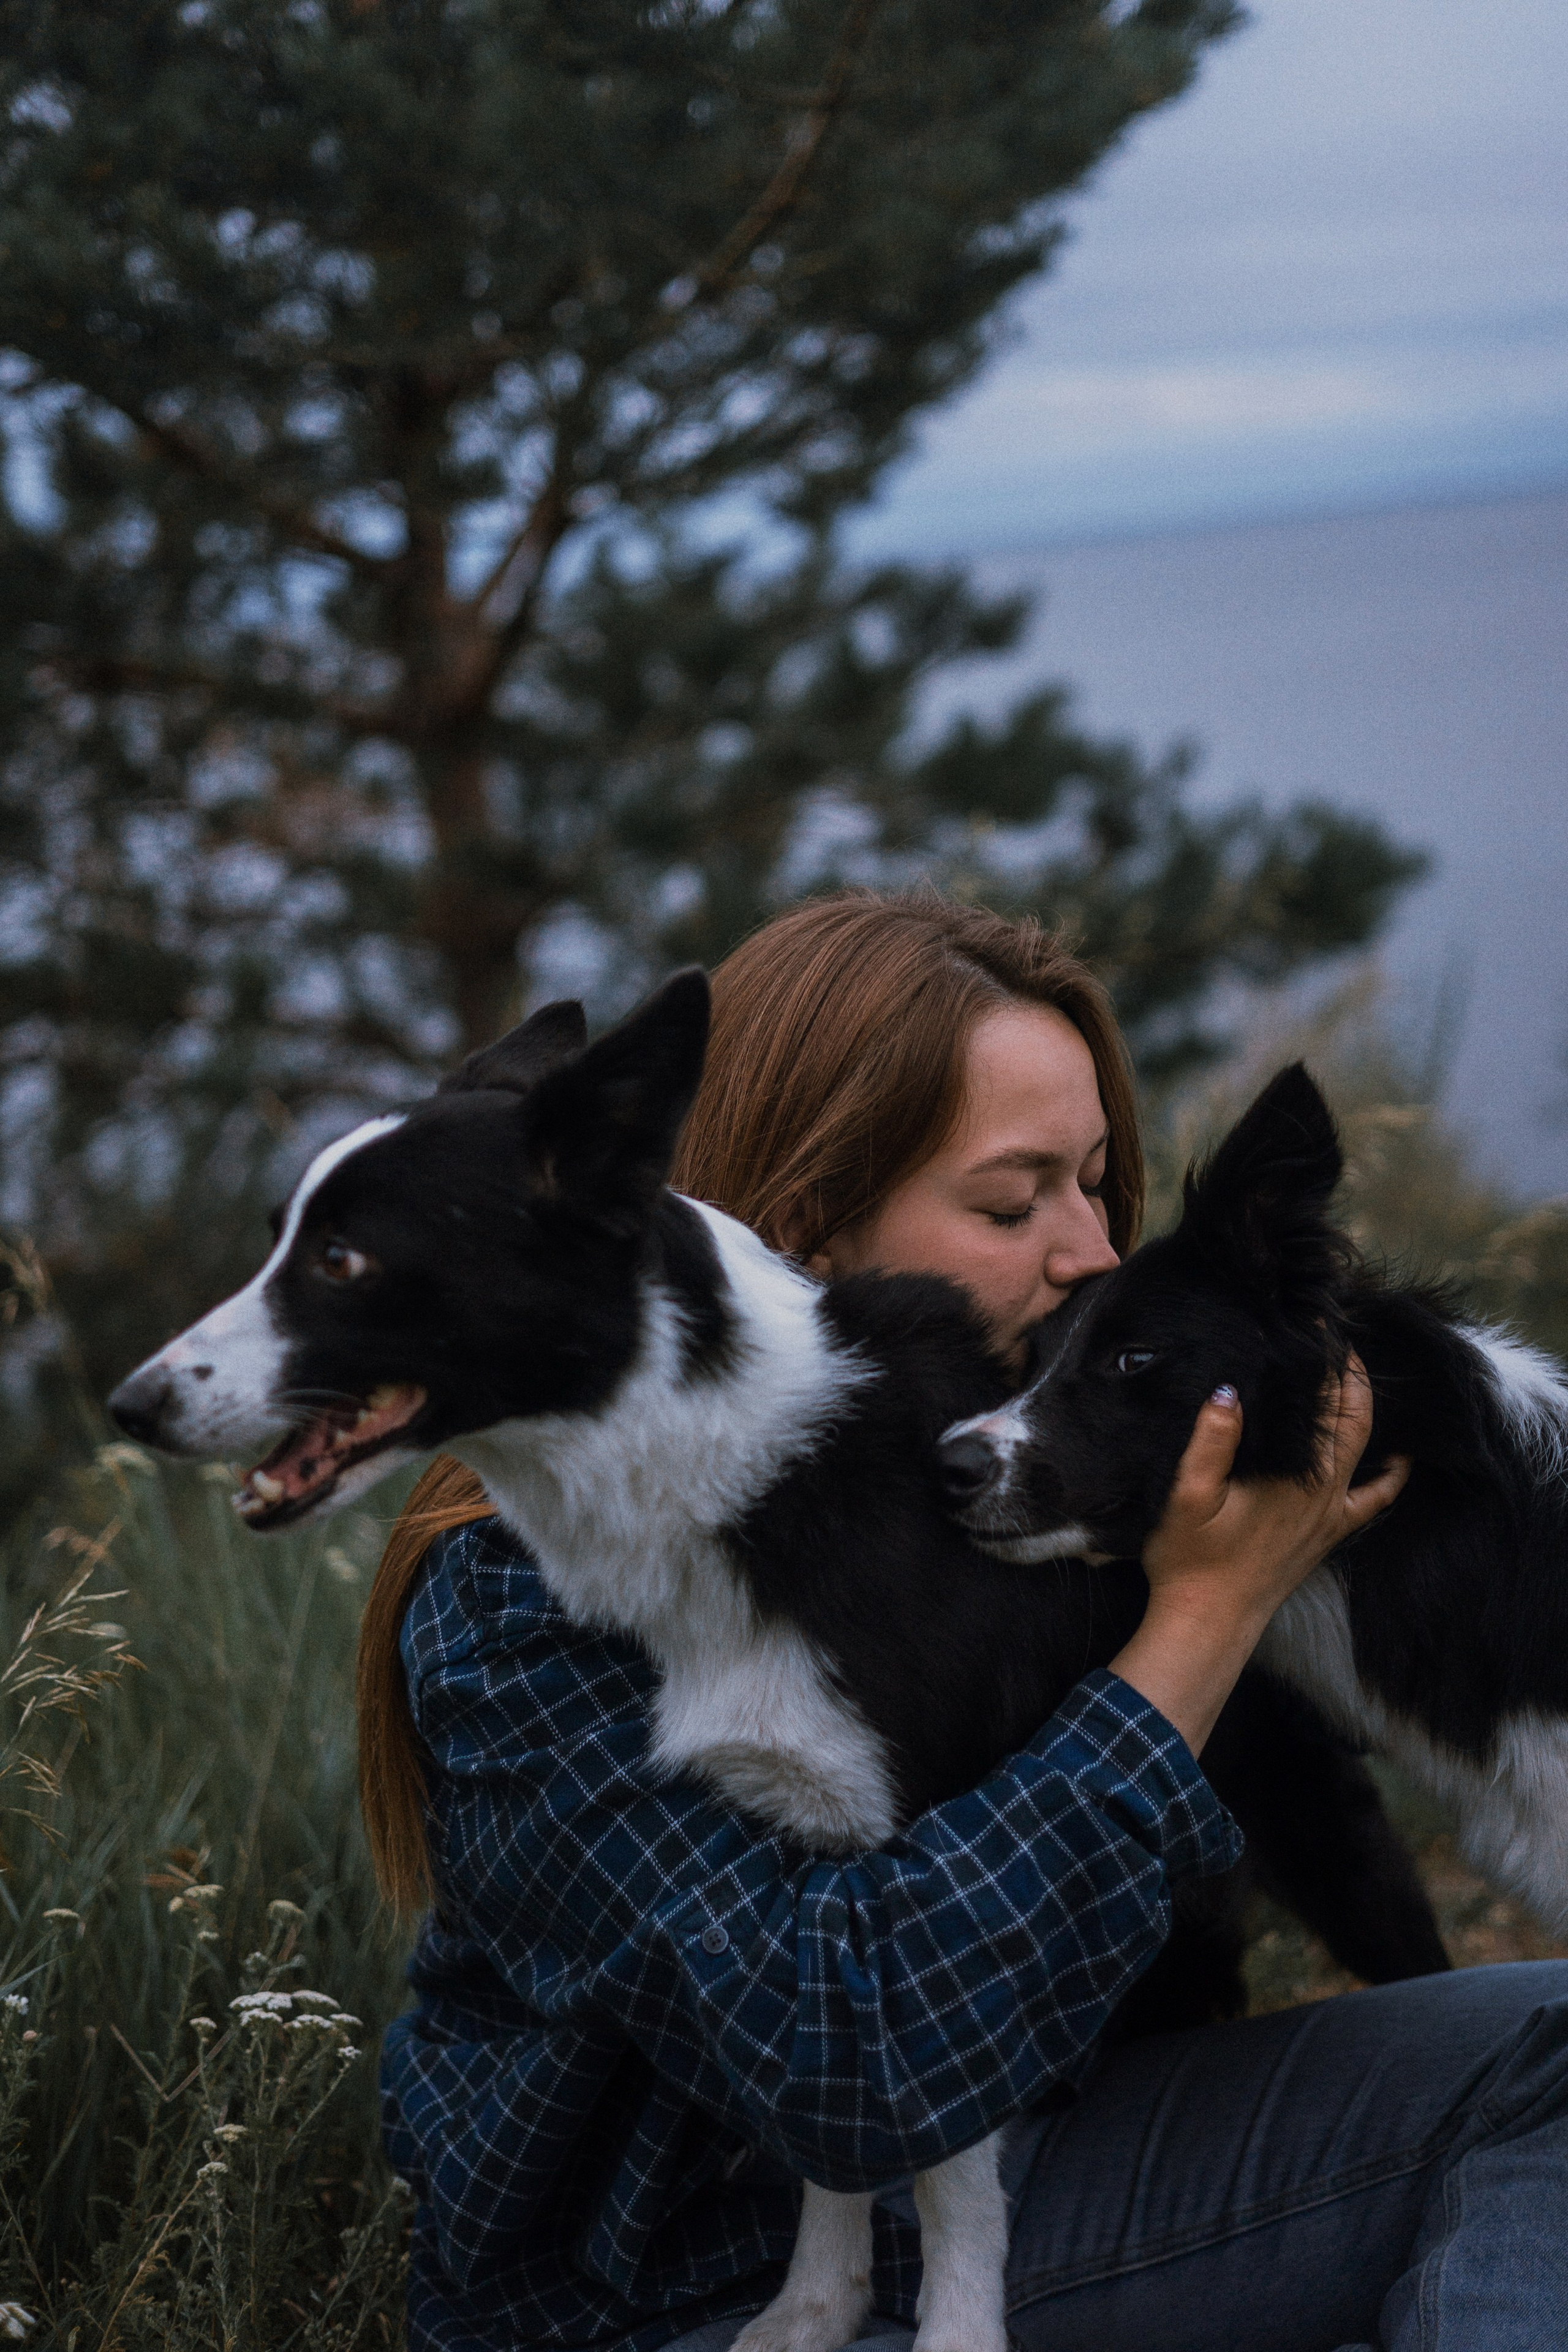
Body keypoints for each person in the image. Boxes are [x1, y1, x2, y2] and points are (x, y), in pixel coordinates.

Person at [360, 891, 1568, 2352]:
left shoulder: (1000, 1476)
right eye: (1011, 1203)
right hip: (705, 2294)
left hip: (1049, 2197)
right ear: (803, 1226)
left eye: (1096, 1184)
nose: (1084, 1253)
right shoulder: (523, 1588)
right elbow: (852, 2063)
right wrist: (1199, 1617)